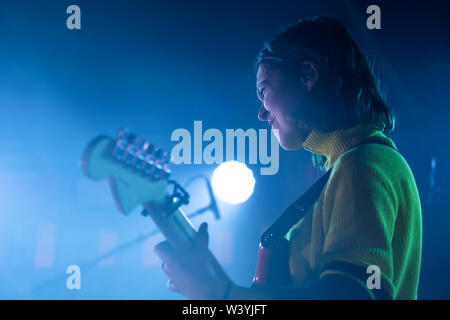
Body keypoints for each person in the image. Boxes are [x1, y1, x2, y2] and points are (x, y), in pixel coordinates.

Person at [153, 17, 422, 300]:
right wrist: (212, 286)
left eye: (264, 90)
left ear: (308, 75)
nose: (261, 113)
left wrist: (216, 292)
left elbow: (350, 294)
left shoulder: (362, 165)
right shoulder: (362, 163)